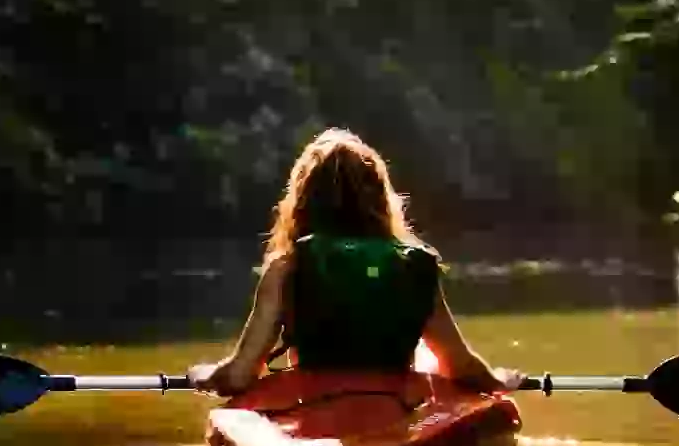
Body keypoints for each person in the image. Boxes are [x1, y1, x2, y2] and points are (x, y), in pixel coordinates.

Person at [192, 128, 522, 398]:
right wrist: (498, 380)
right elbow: (457, 365)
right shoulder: (412, 265)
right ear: (380, 197)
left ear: (303, 200)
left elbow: (238, 377)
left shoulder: (287, 268)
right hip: (396, 407)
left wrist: (205, 374)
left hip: (314, 405)